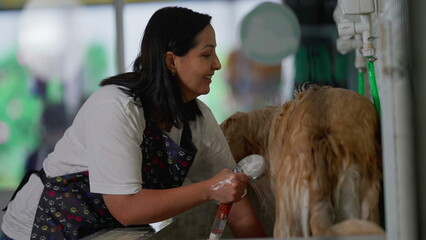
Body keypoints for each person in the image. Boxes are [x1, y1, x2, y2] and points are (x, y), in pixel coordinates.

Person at [0, 6, 266, 240]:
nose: (217, 64)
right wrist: (209, 189)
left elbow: (239, 211)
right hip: (39, 229)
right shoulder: (116, 107)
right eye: (206, 55)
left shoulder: (198, 120)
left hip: (107, 232)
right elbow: (127, 208)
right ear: (172, 60)